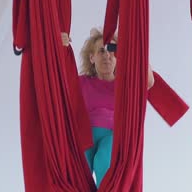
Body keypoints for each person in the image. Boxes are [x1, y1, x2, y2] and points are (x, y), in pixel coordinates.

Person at [63, 28, 154, 187]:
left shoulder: (125, 85)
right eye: (101, 51)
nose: (107, 55)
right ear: (92, 58)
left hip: (115, 136)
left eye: (111, 50)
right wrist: (59, 47)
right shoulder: (81, 82)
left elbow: (148, 81)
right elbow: (57, 78)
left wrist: (134, 48)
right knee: (77, 172)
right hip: (85, 136)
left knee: (104, 159)